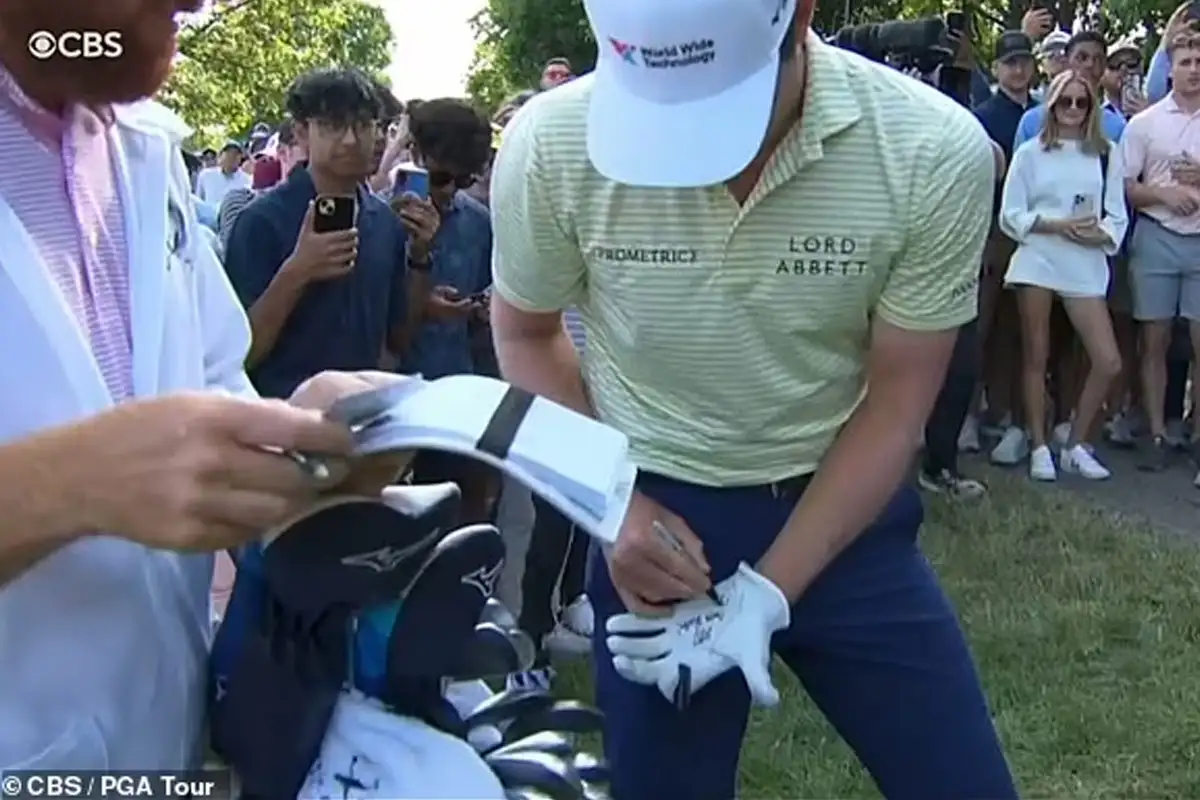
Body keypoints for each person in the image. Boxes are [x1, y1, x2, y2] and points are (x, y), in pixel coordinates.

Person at [489, 0, 1016, 795]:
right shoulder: (551, 142)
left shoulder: (930, 148)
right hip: (652, 526)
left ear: (797, 14)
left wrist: (770, 589)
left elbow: (899, 404)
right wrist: (613, 507)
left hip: (843, 511)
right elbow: (527, 335)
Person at [0, 0, 408, 772]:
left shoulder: (141, 148)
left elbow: (217, 371)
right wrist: (57, 488)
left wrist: (295, 440)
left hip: (169, 742)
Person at [223, 68, 435, 400]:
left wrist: (421, 257)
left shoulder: (384, 221)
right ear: (302, 132)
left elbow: (398, 339)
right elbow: (236, 356)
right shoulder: (261, 221)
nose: (350, 140)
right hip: (281, 422)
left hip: (362, 422)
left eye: (363, 125)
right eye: (333, 125)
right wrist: (297, 272)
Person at [1000, 70, 1127, 482]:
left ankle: (1074, 442)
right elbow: (1010, 214)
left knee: (1107, 359)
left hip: (1084, 262)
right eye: (1065, 101)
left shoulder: (1106, 152)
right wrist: (1054, 226)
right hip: (1038, 256)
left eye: (1082, 102)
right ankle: (1038, 445)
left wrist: (1098, 235)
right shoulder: (1031, 153)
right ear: (1051, 105)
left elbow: (1117, 215)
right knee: (1036, 354)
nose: (1073, 109)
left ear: (1092, 107)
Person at [1122, 31, 1200, 471]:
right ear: (1170, 67)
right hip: (1157, 235)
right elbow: (1127, 189)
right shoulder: (1145, 123)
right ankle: (1154, 431)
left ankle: (1197, 434)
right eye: (1186, 61)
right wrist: (1165, 196)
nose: (1194, 69)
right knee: (1154, 339)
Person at [971, 31, 1038, 465]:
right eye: (1009, 63)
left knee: (1017, 334)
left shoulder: (1047, 114)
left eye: (1024, 62)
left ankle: (1003, 411)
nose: (1018, 70)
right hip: (991, 233)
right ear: (996, 69)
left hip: (1035, 235)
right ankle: (966, 414)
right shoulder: (981, 116)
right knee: (979, 327)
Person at [1016, 31, 1125, 147]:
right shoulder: (1032, 122)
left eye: (1098, 59)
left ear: (1104, 67)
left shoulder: (1116, 127)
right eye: (1082, 57)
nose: (1090, 64)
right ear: (1067, 61)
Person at [196, 140, 252, 206]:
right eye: (228, 153)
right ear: (221, 156)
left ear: (240, 158)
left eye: (235, 154)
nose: (231, 157)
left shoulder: (247, 180)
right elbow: (198, 202)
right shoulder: (206, 175)